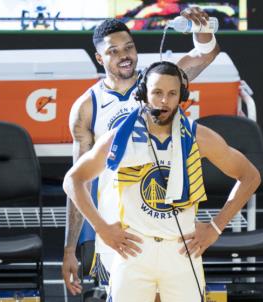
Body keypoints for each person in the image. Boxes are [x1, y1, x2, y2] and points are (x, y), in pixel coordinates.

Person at [63, 61, 261, 302]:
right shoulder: (118, 138)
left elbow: (250, 176)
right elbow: (73, 180)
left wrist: (216, 227)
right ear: (143, 93)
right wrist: (101, 228)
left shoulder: (199, 136)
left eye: (172, 93)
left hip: (181, 251)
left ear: (182, 96)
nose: (164, 101)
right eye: (157, 92)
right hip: (134, 250)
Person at [62, 6, 221, 296]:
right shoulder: (87, 107)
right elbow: (77, 181)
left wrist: (203, 33)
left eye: (129, 47)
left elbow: (205, 54)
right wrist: (70, 248)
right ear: (100, 58)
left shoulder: (158, 82)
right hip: (120, 231)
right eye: (114, 51)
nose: (125, 55)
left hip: (169, 222)